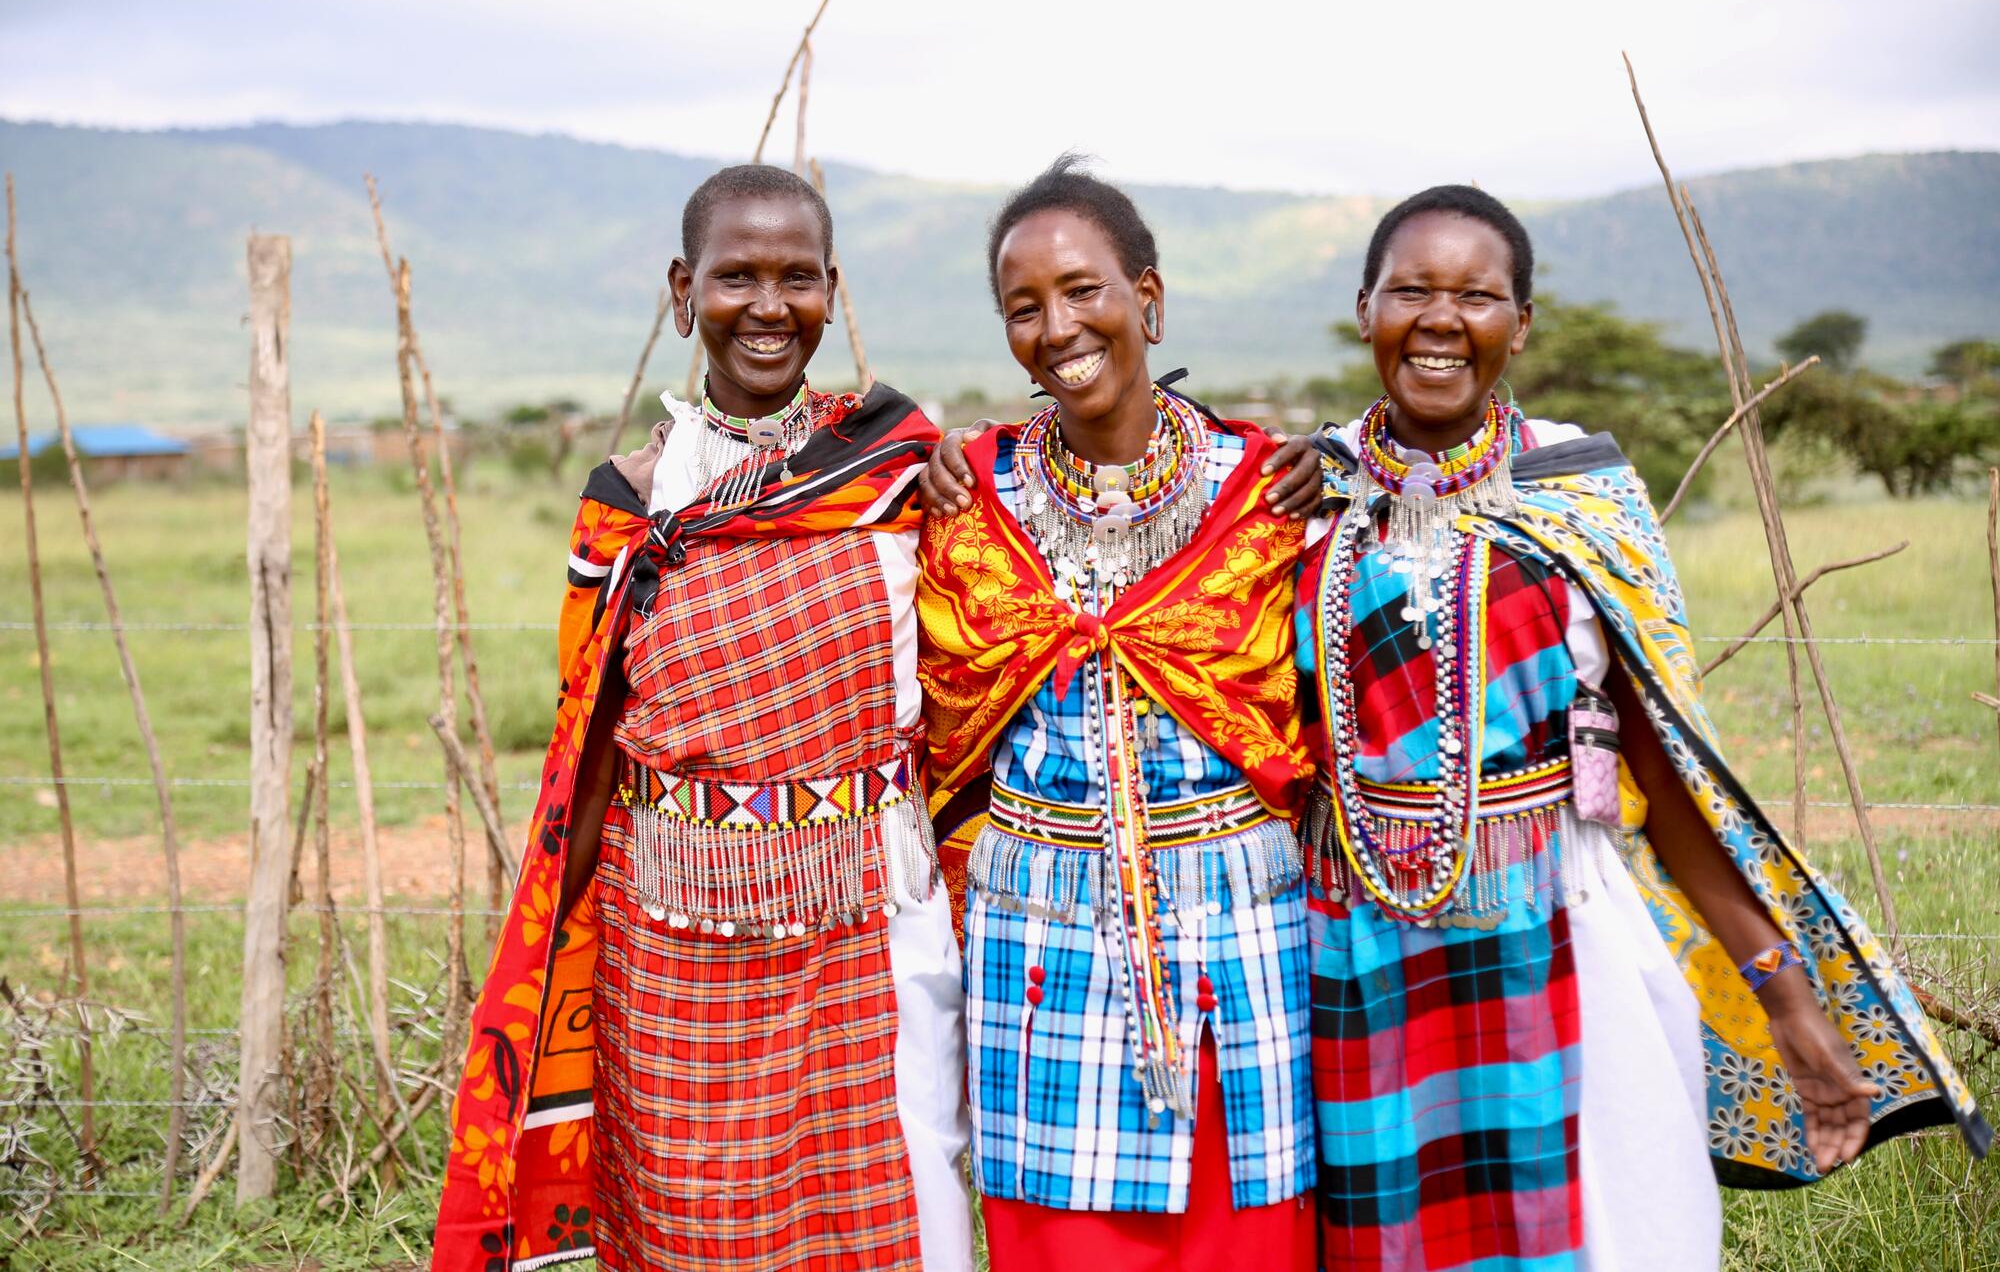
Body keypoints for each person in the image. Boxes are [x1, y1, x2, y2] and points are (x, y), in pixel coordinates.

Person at [1296, 184, 1988, 1270]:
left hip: (1562, 933)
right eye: (1409, 289)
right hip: (1350, 945)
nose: (1439, 319)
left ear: (1519, 325)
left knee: (1606, 1232)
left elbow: (1665, 769)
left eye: (1476, 295)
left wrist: (1783, 992)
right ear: (1362, 306)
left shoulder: (1578, 490)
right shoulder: (1298, 493)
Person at [432, 163, 974, 1272]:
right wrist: (541, 969)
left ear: (833, 291)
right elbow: (588, 744)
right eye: (736, 275)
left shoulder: (897, 470)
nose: (767, 305)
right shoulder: (629, 502)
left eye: (796, 277)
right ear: (683, 291)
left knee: (899, 1214)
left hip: (868, 922)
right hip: (668, 933)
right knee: (695, 1223)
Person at [917, 155, 1319, 1271]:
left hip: (1242, 946)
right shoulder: (964, 497)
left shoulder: (1270, 490)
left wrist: (1338, 462)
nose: (1057, 328)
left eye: (1082, 290)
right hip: (1035, 953)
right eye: (1023, 308)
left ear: (1146, 295)